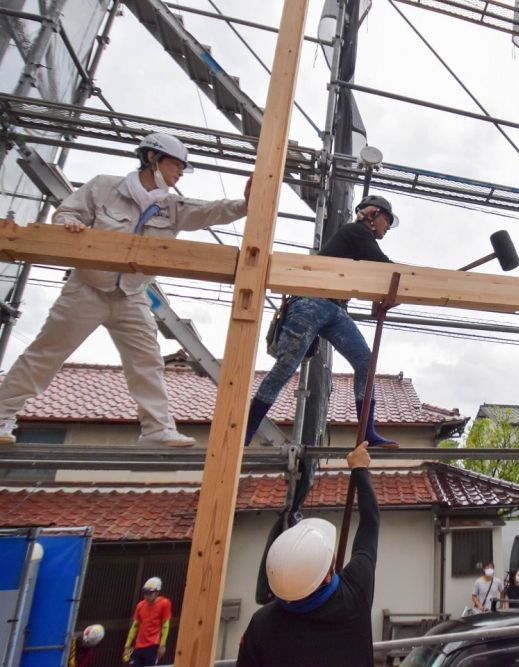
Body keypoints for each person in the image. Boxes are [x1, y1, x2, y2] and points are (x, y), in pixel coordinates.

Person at [0, 132, 252, 448]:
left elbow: (210, 211)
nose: (179, 174)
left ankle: (156, 430)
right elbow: (67, 213)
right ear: (152, 158)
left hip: (132, 296)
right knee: (46, 355)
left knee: (147, 362)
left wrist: (246, 204)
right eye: (176, 165)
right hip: (87, 289)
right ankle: (2, 416)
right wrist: (72, 225)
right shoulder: (103, 186)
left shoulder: (170, 206)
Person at [244, 195, 398, 448]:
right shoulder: (358, 233)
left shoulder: (357, 242)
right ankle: (247, 430)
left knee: (365, 363)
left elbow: (376, 277)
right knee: (287, 365)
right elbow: (384, 267)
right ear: (372, 215)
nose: (388, 226)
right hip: (312, 302)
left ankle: (367, 432)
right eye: (386, 219)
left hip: (333, 307)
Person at [237, 442, 378, 667]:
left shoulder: (262, 625)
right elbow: (370, 524)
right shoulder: (354, 595)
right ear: (327, 577)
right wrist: (359, 467)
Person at [123, 577, 172, 666]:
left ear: (157, 592)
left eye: (150, 593)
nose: (147, 596)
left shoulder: (164, 603)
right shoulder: (140, 606)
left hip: (153, 645)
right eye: (145, 593)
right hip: (139, 645)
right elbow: (135, 626)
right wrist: (127, 646)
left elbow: (165, 625)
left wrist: (162, 645)